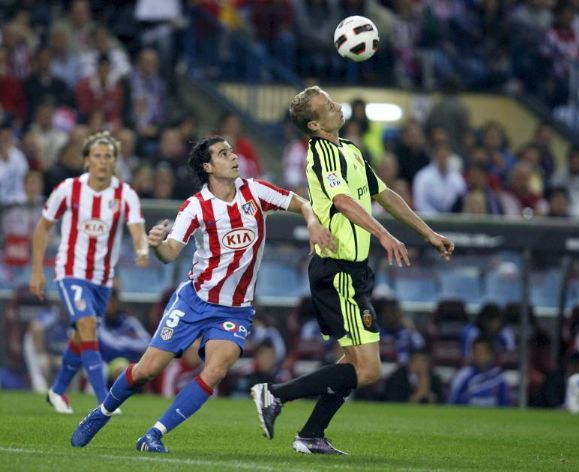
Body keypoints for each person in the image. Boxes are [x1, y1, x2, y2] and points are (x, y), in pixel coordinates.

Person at [70, 135, 336, 453]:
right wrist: (156, 245)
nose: (234, 156)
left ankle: (153, 435)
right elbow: (170, 252)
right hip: (194, 301)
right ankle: (101, 413)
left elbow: (302, 203)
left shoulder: (255, 191)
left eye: (233, 151)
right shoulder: (196, 207)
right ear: (208, 166)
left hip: (235, 309)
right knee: (147, 370)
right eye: (224, 154)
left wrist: (311, 223)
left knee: (217, 369)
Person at [251, 86, 454, 455]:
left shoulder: (350, 150)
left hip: (353, 272)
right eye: (328, 106)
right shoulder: (323, 153)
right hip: (338, 270)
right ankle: (274, 394)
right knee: (369, 370)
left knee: (350, 362)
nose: (337, 106)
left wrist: (429, 233)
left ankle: (310, 434)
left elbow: (385, 194)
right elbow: (342, 200)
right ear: (314, 124)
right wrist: (385, 234)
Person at [29, 131, 148, 414]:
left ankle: (57, 390)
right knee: (87, 326)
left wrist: (142, 249)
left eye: (108, 156)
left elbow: (136, 229)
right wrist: (36, 271)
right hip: (71, 270)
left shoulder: (125, 194)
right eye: (97, 156)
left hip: (102, 279)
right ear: (87, 161)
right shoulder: (68, 189)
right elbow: (43, 227)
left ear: (115, 161)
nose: (103, 161)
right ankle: (104, 399)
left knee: (83, 334)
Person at [447, 337, 512, 407]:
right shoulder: (463, 375)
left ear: (489, 354)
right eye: (476, 352)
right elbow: (452, 402)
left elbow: (505, 405)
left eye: (481, 352)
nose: (478, 356)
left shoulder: (498, 378)